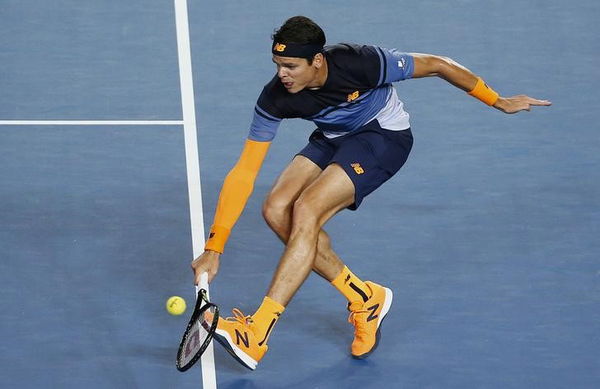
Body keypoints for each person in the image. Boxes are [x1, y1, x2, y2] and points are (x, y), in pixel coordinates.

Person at [191, 16, 551, 370]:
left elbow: (439, 65)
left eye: (290, 66)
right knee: (275, 209)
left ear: (317, 60)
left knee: (307, 211)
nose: (282, 74)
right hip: (333, 138)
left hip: (383, 137)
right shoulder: (276, 97)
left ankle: (257, 332)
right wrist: (214, 248)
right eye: (277, 65)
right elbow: (244, 172)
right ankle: (365, 298)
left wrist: (497, 100)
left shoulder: (360, 61)